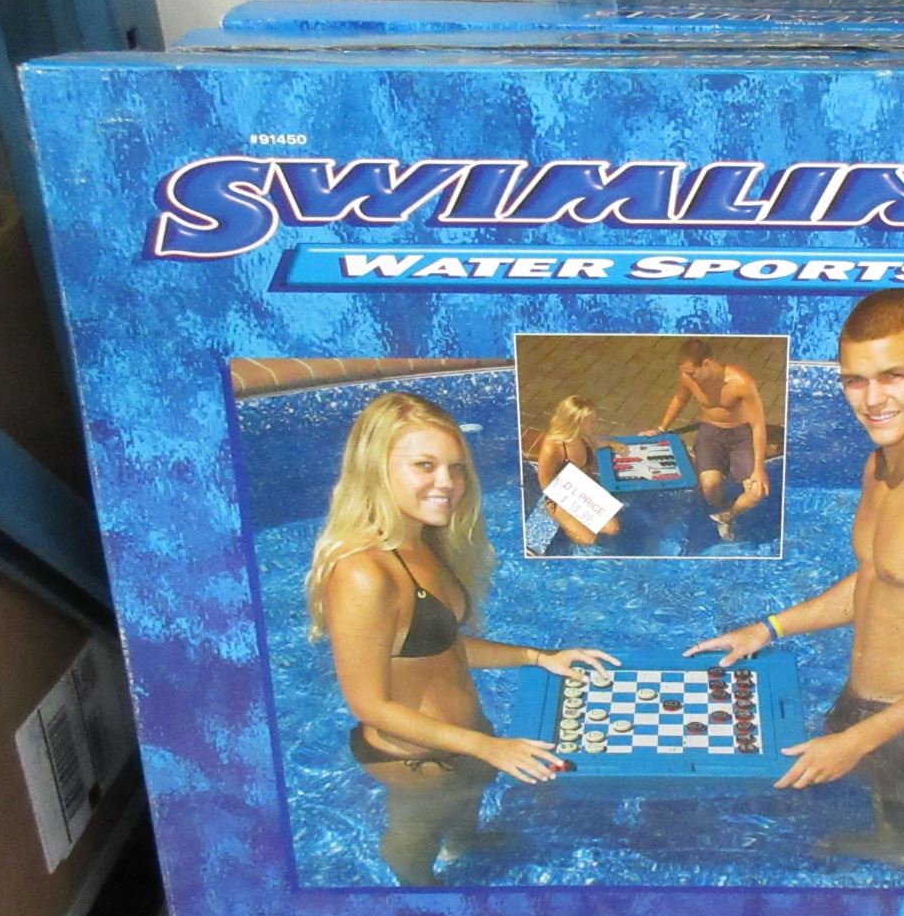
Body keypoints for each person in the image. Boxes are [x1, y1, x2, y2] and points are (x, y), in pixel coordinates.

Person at [688, 290, 904, 888]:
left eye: (894, 376)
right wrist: (769, 628)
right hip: (867, 703)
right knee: (889, 806)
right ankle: (890, 843)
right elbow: (879, 576)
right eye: (855, 381)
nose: (872, 400)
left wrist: (860, 740)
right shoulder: (880, 465)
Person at [306, 392, 618, 886]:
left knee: (465, 806)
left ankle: (464, 845)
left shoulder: (422, 542)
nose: (447, 483)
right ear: (375, 467)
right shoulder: (364, 572)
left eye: (456, 467)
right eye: (424, 465)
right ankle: (420, 893)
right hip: (416, 760)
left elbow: (441, 645)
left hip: (463, 743)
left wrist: (540, 657)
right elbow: (369, 704)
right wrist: (487, 747)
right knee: (414, 838)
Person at [644, 338, 770, 542]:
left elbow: (758, 425)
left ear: (706, 363)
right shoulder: (688, 378)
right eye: (685, 373)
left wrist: (759, 468)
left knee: (756, 492)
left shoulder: (741, 382)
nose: (688, 377)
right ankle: (719, 508)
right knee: (710, 488)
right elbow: (680, 399)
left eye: (691, 372)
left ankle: (728, 516)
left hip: (741, 435)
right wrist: (661, 428)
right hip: (711, 432)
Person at [533, 394, 623, 547]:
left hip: (582, 488)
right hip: (559, 495)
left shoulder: (582, 435)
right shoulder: (552, 447)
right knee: (588, 540)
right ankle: (565, 529)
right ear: (577, 422)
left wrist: (611, 444)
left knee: (613, 529)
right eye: (591, 420)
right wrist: (571, 505)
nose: (595, 423)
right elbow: (545, 483)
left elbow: (595, 443)